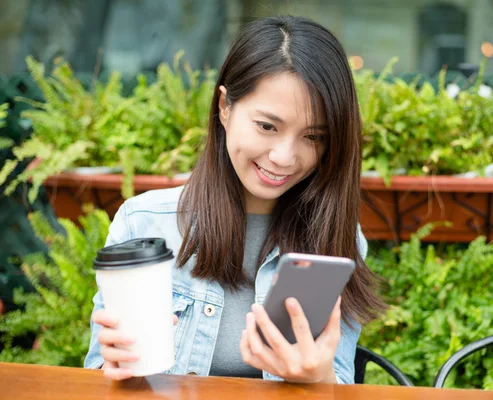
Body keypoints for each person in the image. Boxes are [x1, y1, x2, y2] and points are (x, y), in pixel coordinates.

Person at [84, 15, 386, 384]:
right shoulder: (143, 223)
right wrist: (117, 371)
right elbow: (100, 373)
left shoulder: (335, 238)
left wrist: (320, 377)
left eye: (313, 137)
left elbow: (338, 381)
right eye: (267, 126)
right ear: (225, 107)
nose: (284, 157)